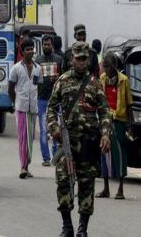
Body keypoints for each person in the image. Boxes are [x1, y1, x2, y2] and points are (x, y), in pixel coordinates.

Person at [47, 42, 111, 237]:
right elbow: (51, 108)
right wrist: (54, 127)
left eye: (84, 58)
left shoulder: (95, 85)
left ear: (89, 60)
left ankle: (83, 229)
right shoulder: (62, 81)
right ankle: (67, 227)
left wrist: (106, 133)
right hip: (66, 143)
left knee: (87, 185)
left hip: (89, 143)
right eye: (78, 58)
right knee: (64, 182)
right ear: (71, 59)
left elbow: (105, 111)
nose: (81, 62)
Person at [96, 52, 133, 200]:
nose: (105, 69)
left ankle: (121, 188)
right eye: (104, 66)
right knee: (104, 152)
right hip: (105, 119)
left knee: (119, 153)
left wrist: (129, 126)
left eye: (108, 66)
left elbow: (129, 104)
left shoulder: (124, 80)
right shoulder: (102, 78)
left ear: (114, 67)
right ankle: (106, 188)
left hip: (119, 120)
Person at [8, 37, 42, 179]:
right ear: (22, 52)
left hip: (33, 107)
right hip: (21, 107)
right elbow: (10, 88)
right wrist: (14, 102)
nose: (30, 52)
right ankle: (23, 166)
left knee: (30, 138)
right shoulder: (16, 68)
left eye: (31, 49)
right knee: (23, 137)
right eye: (27, 50)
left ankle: (27, 166)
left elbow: (37, 86)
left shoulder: (38, 68)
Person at [35, 35, 62, 166]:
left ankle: (56, 156)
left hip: (56, 99)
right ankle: (45, 158)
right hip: (41, 99)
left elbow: (63, 79)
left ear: (52, 45)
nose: (47, 46)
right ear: (42, 45)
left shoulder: (58, 60)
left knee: (56, 128)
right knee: (43, 129)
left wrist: (56, 79)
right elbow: (34, 80)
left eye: (49, 44)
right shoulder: (37, 60)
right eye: (45, 44)